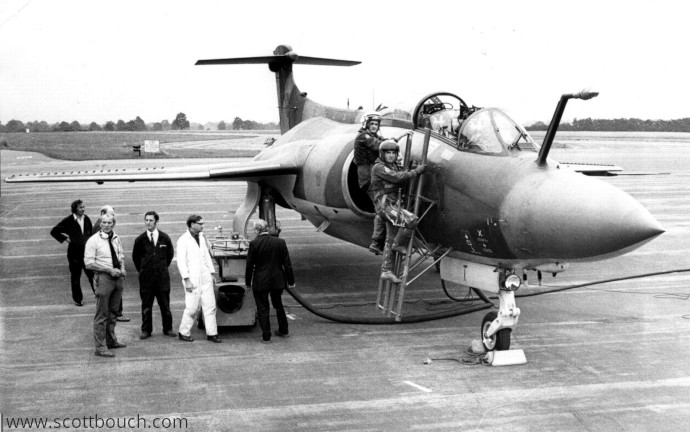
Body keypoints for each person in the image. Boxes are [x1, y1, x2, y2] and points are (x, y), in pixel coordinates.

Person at [353, 112, 412, 255]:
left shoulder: (373, 137)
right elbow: (381, 145)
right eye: (372, 124)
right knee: (381, 211)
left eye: (376, 125)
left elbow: (385, 141)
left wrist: (401, 136)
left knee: (382, 210)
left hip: (370, 176)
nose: (374, 127)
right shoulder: (364, 137)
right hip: (367, 177)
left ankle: (379, 242)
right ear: (366, 125)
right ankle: (376, 242)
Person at [370, 140, 426, 283]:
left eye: (393, 153)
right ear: (382, 154)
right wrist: (416, 171)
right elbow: (397, 177)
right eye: (388, 153)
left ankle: (387, 271)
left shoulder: (392, 166)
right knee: (411, 220)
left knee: (389, 239)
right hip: (386, 207)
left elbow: (399, 172)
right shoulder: (379, 167)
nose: (390, 156)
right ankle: (398, 245)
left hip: (392, 205)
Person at [245, 219, 295, 344]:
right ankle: (284, 331)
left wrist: (247, 282)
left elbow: (249, 265)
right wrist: (291, 281)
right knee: (278, 305)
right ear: (267, 228)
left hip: (260, 281)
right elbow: (287, 264)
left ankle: (266, 336)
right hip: (277, 280)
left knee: (263, 308)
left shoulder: (254, 244)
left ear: (257, 230)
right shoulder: (280, 242)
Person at [84, 213, 127, 358]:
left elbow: (120, 255)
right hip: (104, 278)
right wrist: (108, 270)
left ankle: (111, 340)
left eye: (109, 223)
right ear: (100, 224)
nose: (107, 225)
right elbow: (89, 264)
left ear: (113, 224)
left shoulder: (116, 238)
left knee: (113, 312)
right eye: (104, 222)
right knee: (101, 314)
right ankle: (100, 347)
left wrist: (122, 268)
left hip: (118, 278)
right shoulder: (93, 241)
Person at [176, 215, 221, 343]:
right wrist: (186, 280)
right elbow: (181, 262)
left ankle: (212, 333)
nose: (202, 226)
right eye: (200, 224)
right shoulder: (183, 240)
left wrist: (212, 273)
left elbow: (206, 256)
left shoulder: (201, 238)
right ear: (192, 225)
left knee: (210, 306)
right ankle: (183, 332)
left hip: (205, 277)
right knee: (192, 308)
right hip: (192, 279)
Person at [132, 211, 176, 340]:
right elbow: (136, 258)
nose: (148, 223)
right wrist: (144, 270)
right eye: (146, 220)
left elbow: (169, 255)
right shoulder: (140, 240)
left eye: (151, 220)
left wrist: (161, 268)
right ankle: (146, 330)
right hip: (146, 280)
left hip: (162, 279)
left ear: (156, 222)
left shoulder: (164, 238)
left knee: (165, 305)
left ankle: (168, 328)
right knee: (146, 306)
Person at [50, 199, 94, 306]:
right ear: (75, 209)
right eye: (80, 207)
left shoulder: (86, 218)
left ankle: (99, 295)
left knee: (92, 275)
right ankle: (78, 299)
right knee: (75, 277)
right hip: (74, 254)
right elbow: (54, 231)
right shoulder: (68, 220)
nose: (83, 209)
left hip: (87, 253)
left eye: (84, 207)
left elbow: (91, 233)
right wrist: (66, 238)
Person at [93, 205, 129, 322]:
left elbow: (119, 253)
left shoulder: (113, 235)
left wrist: (122, 267)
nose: (113, 217)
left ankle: (115, 315)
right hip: (106, 274)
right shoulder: (98, 233)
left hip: (115, 272)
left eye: (113, 215)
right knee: (104, 311)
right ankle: (116, 314)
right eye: (111, 214)